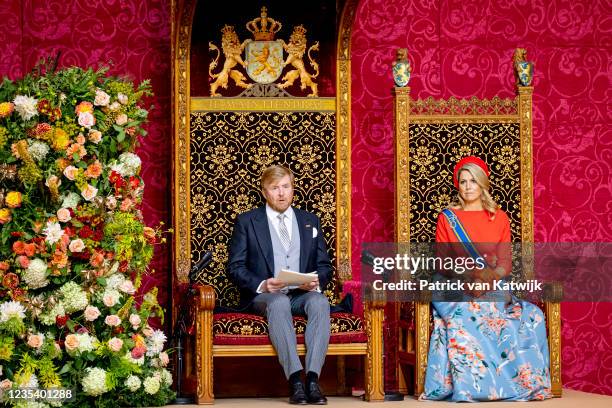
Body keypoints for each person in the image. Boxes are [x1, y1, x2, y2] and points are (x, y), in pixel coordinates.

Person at [420, 156, 552, 402]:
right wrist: (469, 277)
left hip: (491, 283)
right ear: (457, 185)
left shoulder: (499, 217)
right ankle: (474, 389)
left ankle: (520, 385)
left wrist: (489, 277)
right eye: (463, 181)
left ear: (483, 184)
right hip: (452, 283)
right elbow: (442, 261)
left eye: (473, 181)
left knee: (530, 315)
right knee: (471, 314)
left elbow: (504, 263)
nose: (468, 186)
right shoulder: (448, 217)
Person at [228, 165, 332, 405]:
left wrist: (315, 281)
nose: (282, 193)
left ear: (293, 189)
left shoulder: (309, 220)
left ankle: (313, 380)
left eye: (286, 187)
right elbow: (235, 267)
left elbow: (325, 265)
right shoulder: (247, 222)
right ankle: (295, 381)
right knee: (279, 302)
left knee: (319, 301)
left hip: (301, 293)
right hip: (267, 297)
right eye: (275, 188)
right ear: (265, 192)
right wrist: (264, 284)